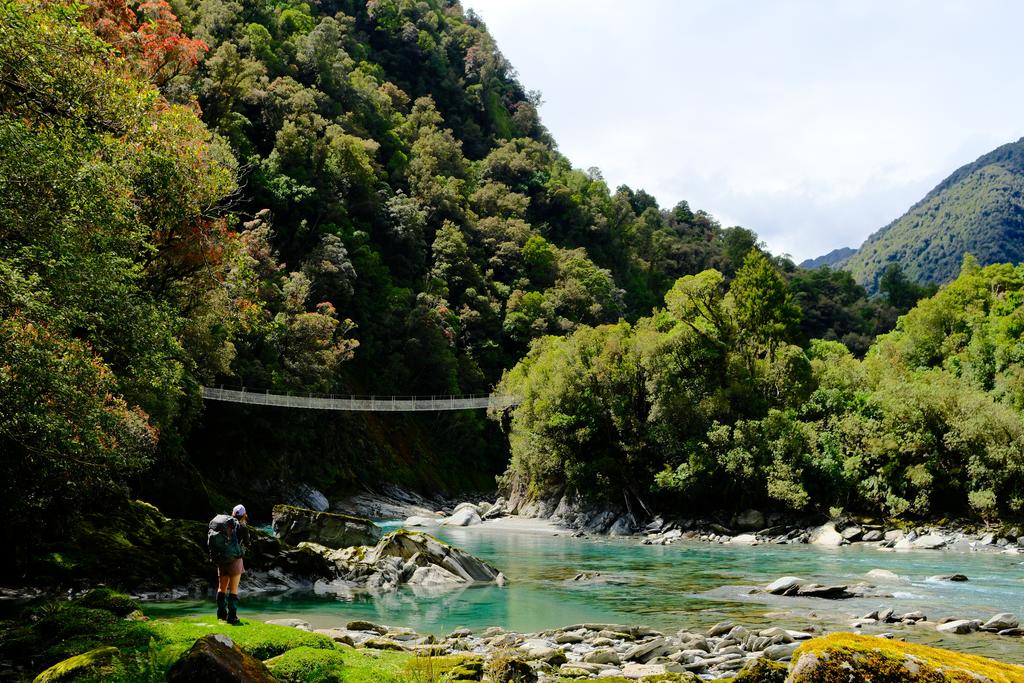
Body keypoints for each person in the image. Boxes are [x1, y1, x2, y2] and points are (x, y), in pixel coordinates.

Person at [208, 504, 249, 625]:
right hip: (235, 560)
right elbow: (247, 543)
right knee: (233, 589)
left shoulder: (224, 524)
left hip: (221, 559)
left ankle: (221, 615)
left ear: (233, 513)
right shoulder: (242, 527)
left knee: (221, 588)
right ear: (244, 515)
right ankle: (232, 617)